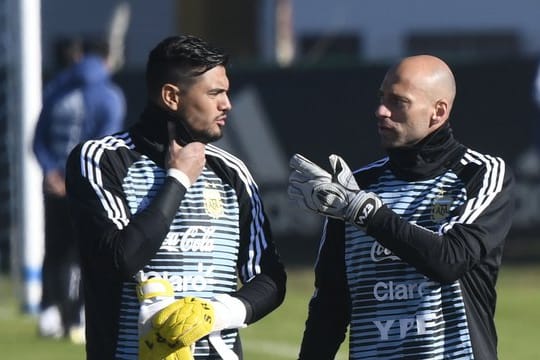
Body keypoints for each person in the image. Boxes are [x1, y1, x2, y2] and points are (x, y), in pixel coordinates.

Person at [65, 34, 287, 360]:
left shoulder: (233, 173)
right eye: (215, 93)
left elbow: (269, 278)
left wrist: (218, 313)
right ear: (171, 97)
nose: (227, 103)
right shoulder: (101, 159)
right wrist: (179, 179)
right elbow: (119, 260)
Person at [288, 55, 514, 359]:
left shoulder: (481, 174)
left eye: (398, 102)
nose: (381, 111)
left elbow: (449, 261)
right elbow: (330, 306)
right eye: (382, 98)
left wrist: (365, 213)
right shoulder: (355, 186)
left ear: (438, 112)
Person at [33, 36, 126, 343]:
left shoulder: (56, 91)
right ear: (107, 59)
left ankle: (50, 313)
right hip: (87, 187)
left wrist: (52, 172)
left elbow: (38, 139)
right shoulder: (110, 95)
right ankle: (80, 314)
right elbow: (103, 145)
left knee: (56, 249)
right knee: (88, 251)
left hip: (54, 186)